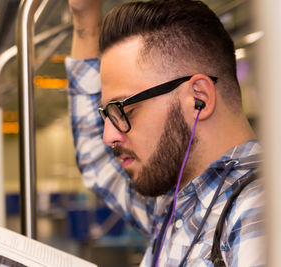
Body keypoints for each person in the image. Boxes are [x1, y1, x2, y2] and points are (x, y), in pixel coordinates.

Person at [65, 0, 264, 266]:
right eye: (107, 116)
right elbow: (97, 162)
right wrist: (85, 22)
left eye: (125, 110)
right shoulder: (176, 206)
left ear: (198, 99)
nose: (108, 137)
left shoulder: (259, 215)